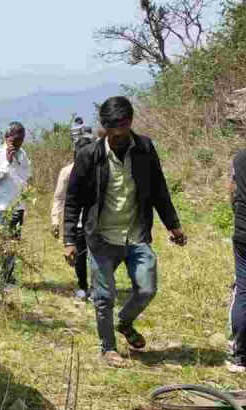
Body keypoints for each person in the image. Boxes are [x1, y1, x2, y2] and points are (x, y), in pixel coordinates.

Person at [63, 96, 187, 368]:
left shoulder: (144, 148)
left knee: (147, 288)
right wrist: (70, 239)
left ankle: (124, 322)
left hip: (136, 235)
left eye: (123, 132)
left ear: (131, 123)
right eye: (113, 134)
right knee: (104, 297)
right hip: (101, 238)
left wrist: (173, 225)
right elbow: (72, 200)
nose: (118, 138)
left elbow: (159, 189)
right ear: (104, 128)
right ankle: (108, 348)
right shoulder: (89, 156)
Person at [51, 118, 94, 300]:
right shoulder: (67, 172)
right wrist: (55, 221)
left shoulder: (99, 169)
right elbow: (59, 198)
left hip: (95, 221)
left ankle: (96, 287)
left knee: (97, 256)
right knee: (80, 256)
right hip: (76, 222)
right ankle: (83, 286)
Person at [0, 122, 31, 284]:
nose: (20, 142)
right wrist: (6, 163)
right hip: (1, 206)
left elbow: (26, 175)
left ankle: (8, 276)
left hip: (18, 205)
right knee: (2, 242)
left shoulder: (23, 154)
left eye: (22, 138)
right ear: (7, 137)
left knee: (13, 243)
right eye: (17, 138)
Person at [228, 148, 246, 373]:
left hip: (243, 234)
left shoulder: (241, 158)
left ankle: (240, 356)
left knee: (243, 290)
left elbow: (231, 191)